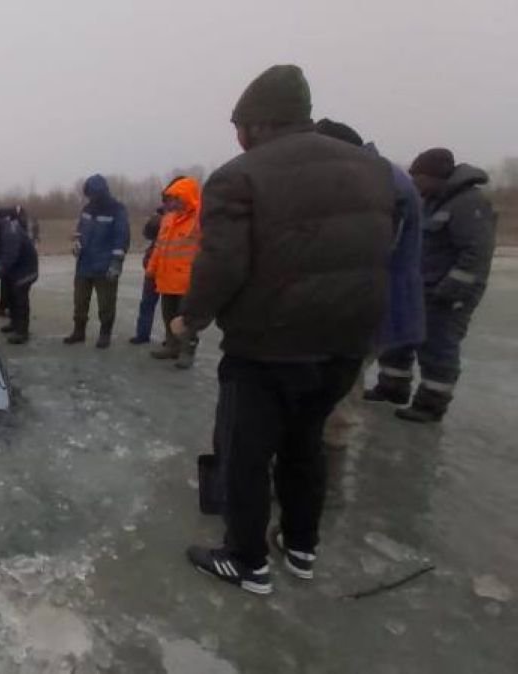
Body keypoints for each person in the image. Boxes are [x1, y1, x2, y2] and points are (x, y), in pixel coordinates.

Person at [172, 65, 395, 594]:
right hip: (347, 342)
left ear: (257, 123)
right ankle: (300, 547)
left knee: (246, 452)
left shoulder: (240, 176)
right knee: (305, 444)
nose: (237, 136)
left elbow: (222, 263)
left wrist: (190, 318)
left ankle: (247, 562)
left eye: (239, 125)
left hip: (270, 344)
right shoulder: (373, 170)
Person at [314, 119, 425, 448]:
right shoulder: (379, 175)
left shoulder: (379, 182)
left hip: (370, 306)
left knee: (338, 395)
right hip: (368, 302)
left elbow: (366, 250)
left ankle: (325, 484)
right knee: (334, 388)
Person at [365, 148, 497, 423]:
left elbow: (476, 252)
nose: (415, 183)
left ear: (437, 177)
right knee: (399, 337)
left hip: (448, 293)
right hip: (420, 287)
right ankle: (392, 387)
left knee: (438, 346)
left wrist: (451, 289)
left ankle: (431, 403)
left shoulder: (468, 203)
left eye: (419, 177)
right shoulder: (429, 200)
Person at [63, 175, 130, 349]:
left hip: (105, 265)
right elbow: (81, 230)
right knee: (80, 301)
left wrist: (116, 263)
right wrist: (77, 242)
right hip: (84, 264)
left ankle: (105, 334)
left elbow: (121, 236)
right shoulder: (87, 209)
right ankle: (79, 331)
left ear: (100, 192)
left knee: (106, 303)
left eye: (92, 193)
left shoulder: (117, 210)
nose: (90, 197)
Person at [147, 176, 202, 369]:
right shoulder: (168, 219)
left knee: (186, 319)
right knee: (168, 315)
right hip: (167, 277)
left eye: (176, 198)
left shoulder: (200, 219)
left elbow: (209, 248)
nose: (173, 203)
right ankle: (172, 345)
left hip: (188, 280)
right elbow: (159, 246)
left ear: (186, 197)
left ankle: (187, 351)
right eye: (171, 199)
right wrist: (151, 268)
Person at [0, 207, 39, 344]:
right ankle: (14, 323)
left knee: (20, 298)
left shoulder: (10, 232)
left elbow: (9, 256)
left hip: (26, 269)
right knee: (10, 295)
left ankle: (22, 332)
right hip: (13, 270)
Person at [130, 207, 163, 345]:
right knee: (148, 304)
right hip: (154, 270)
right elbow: (148, 232)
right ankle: (143, 334)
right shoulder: (162, 218)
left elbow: (147, 232)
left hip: (168, 270)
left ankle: (173, 340)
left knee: (170, 308)